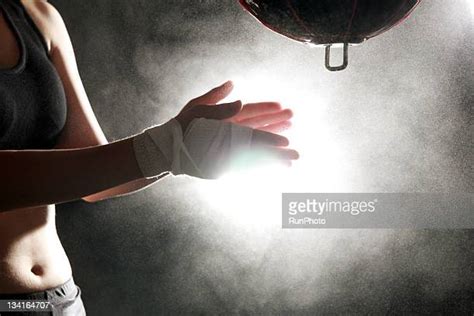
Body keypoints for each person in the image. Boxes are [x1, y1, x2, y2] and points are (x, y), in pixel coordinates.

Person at [0, 0, 298, 314]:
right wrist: (165, 146)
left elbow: (95, 179)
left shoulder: (37, 14)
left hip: (63, 299)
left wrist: (182, 147)